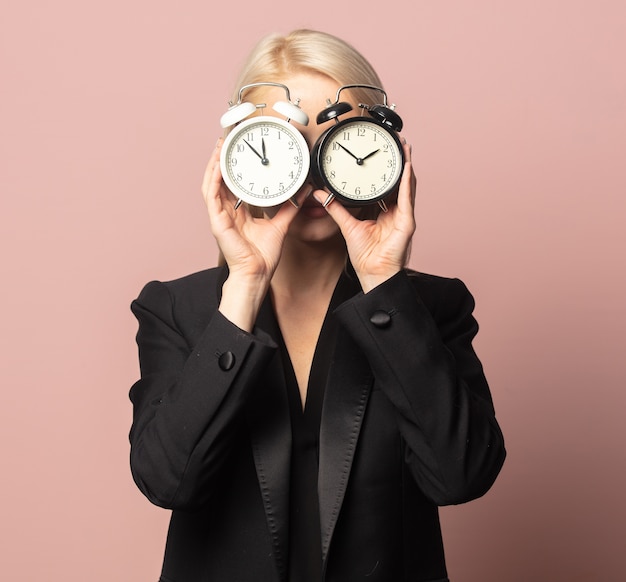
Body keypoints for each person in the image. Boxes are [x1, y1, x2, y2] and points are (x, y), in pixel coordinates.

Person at [129, 29, 506, 582]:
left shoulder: (428, 307)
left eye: (337, 141)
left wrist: (383, 282)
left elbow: (462, 476)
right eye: (282, 142)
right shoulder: (176, 309)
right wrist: (242, 289)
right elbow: (168, 481)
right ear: (240, 152)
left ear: (379, 147)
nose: (309, 172)